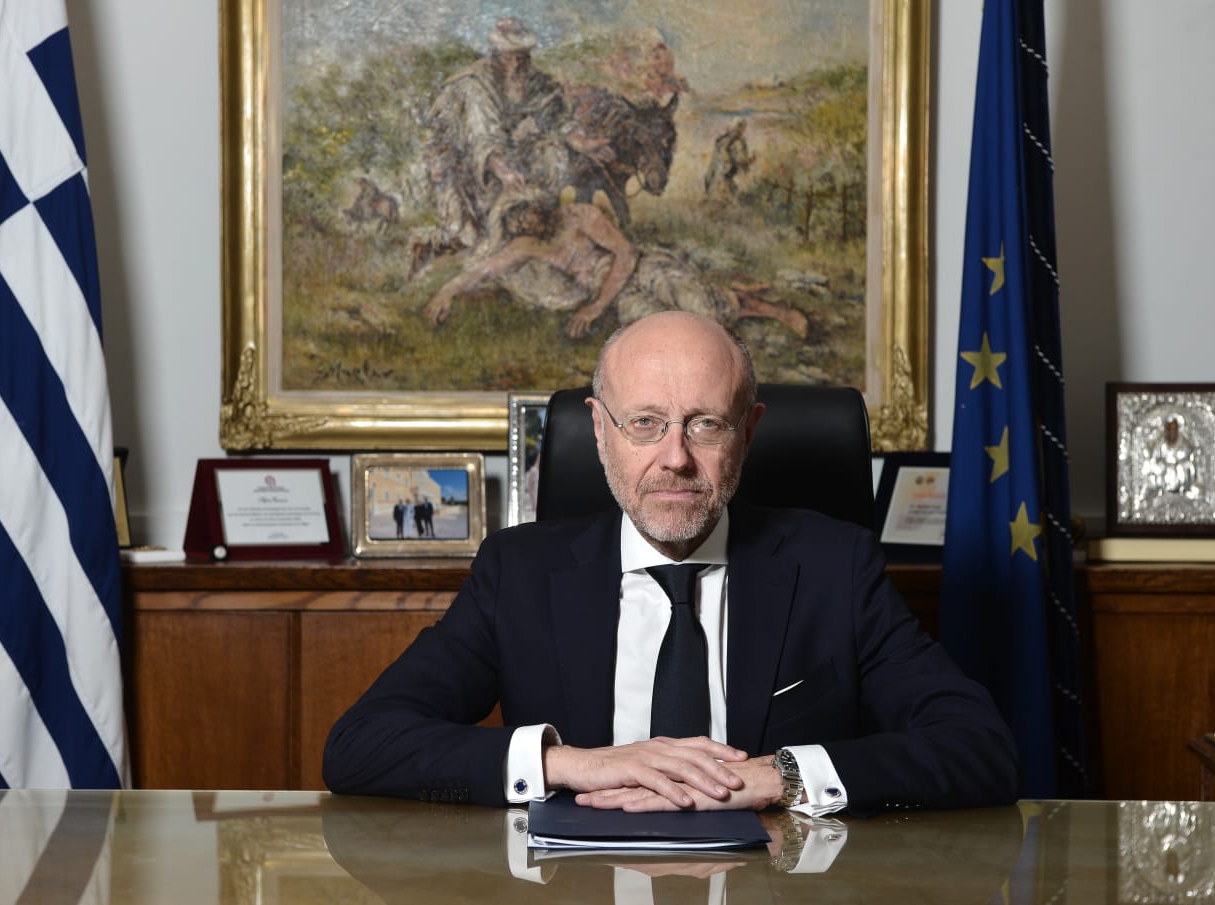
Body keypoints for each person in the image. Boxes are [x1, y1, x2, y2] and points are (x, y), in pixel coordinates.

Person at [324, 311, 1018, 814]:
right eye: (645, 423)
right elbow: (361, 744)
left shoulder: (834, 567)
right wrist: (572, 764)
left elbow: (980, 747)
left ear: (747, 433)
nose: (676, 457)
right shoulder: (520, 572)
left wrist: (777, 777)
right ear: (600, 432)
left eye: (705, 424)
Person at [424, 195, 810, 340]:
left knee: (703, 310)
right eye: (518, 224)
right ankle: (734, 297)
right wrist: (446, 291)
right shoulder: (527, 245)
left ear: (539, 207)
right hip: (615, 296)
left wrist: (595, 307)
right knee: (673, 333)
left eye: (527, 215)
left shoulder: (580, 217)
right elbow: (485, 270)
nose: (526, 225)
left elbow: (625, 254)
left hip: (639, 268)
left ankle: (768, 309)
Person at [418, 18, 609, 264]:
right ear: (497, 56)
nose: (519, 64)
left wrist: (582, 142)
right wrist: (504, 171)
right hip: (462, 161)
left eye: (524, 57)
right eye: (512, 57)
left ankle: (526, 220)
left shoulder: (533, 80)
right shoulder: (474, 85)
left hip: (502, 153)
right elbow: (481, 136)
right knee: (465, 240)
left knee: (550, 150)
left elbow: (555, 115)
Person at [704, 119, 754, 196]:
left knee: (727, 183)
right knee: (725, 183)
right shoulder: (732, 139)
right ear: (738, 128)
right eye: (743, 128)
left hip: (718, 172)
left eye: (744, 128)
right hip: (720, 172)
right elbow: (728, 156)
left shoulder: (727, 138)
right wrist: (747, 161)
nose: (743, 131)